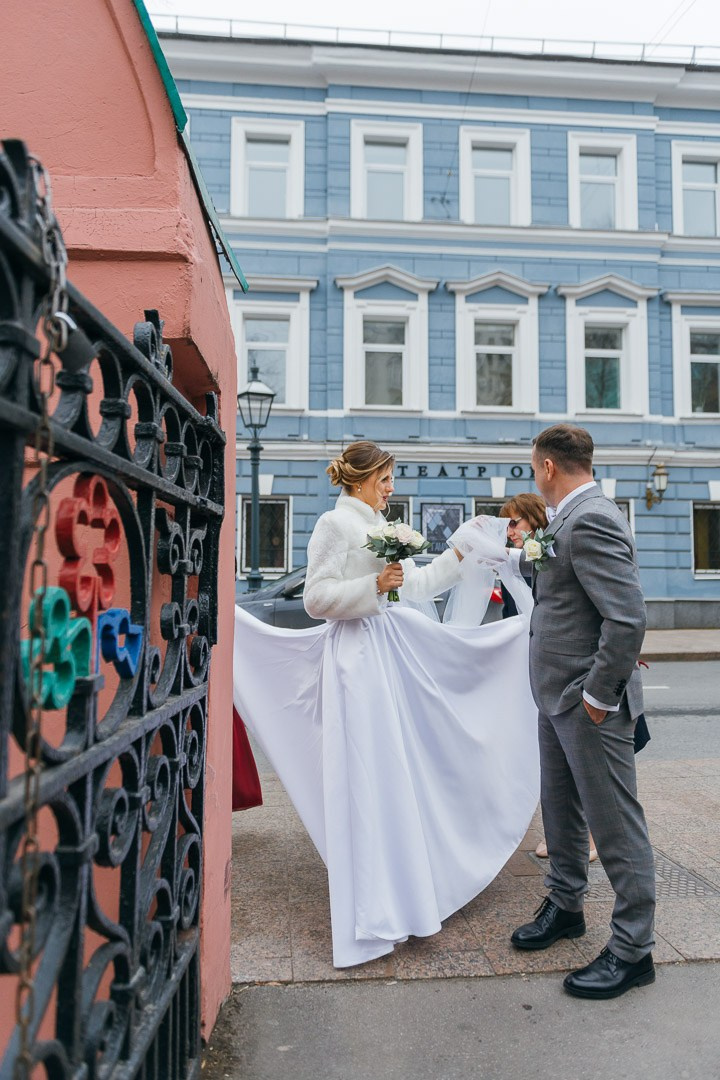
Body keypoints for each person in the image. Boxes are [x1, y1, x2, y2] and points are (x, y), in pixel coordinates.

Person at [233, 441, 540, 968]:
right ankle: (374, 905)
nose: (392, 486)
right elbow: (315, 598)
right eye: (386, 477)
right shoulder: (336, 524)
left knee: (395, 771)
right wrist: (373, 584)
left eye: (392, 477)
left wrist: (459, 553)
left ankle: (404, 889)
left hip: (386, 655)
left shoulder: (379, 522)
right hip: (356, 660)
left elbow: (414, 585)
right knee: (367, 774)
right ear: (361, 479)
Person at [507, 424, 656, 1000]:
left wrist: (597, 697)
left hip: (585, 702)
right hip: (554, 696)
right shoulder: (568, 518)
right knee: (562, 811)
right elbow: (563, 586)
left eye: (532, 467)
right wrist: (511, 555)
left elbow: (627, 619)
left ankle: (632, 949)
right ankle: (566, 904)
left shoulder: (590, 517)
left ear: (546, 466)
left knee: (615, 826)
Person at [499, 494, 600, 864]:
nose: (509, 531)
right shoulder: (516, 563)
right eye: (505, 524)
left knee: (581, 760)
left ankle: (589, 837)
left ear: (534, 522)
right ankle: (564, 834)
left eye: (515, 523)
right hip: (539, 670)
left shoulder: (550, 554)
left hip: (573, 671)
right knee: (552, 760)